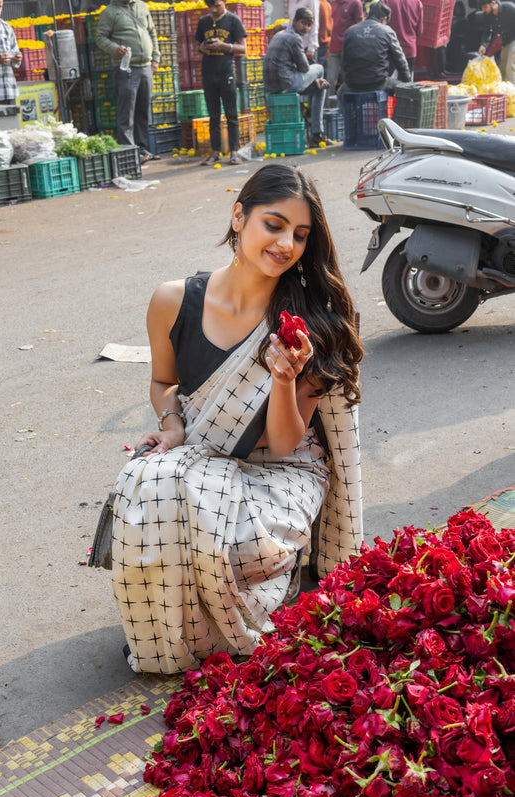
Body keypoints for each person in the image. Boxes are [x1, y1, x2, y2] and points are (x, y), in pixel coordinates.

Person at [111, 163, 364, 675]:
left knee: (224, 540)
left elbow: (285, 441)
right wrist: (172, 423)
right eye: (274, 225)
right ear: (238, 216)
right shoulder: (173, 300)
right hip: (202, 456)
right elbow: (165, 383)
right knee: (144, 482)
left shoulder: (310, 320)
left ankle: (246, 598)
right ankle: (176, 632)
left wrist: (284, 378)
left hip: (281, 474)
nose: (286, 244)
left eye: (299, 234)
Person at [96, 0, 161, 165]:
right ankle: (129, 151)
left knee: (142, 110)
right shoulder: (110, 12)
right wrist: (114, 48)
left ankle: (142, 148)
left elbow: (151, 32)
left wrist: (155, 58)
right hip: (126, 68)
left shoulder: (142, 6)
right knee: (127, 112)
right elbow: (101, 38)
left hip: (146, 66)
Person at [263, 8, 331, 147]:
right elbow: (305, 68)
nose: (305, 27)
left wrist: (314, 80)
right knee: (319, 68)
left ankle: (316, 133)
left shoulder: (278, 35)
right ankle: (315, 128)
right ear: (294, 21)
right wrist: (315, 77)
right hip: (286, 84)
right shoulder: (295, 38)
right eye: (303, 23)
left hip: (271, 87)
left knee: (320, 88)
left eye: (308, 25)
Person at [196, 0, 247, 166]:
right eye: (211, 6)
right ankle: (215, 152)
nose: (214, 9)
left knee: (231, 114)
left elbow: (243, 48)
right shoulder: (203, 22)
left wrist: (223, 45)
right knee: (213, 115)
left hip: (226, 72)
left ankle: (234, 152)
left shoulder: (233, 20)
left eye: (217, 5)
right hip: (208, 72)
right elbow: (198, 45)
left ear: (224, 2)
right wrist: (202, 47)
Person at [340, 1, 411, 96]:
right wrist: (407, 82)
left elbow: (343, 61)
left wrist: (348, 80)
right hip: (378, 83)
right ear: (383, 19)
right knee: (402, 90)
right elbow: (400, 60)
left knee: (340, 93)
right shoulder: (387, 31)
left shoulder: (350, 31)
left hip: (352, 84)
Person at [327, 0, 363, 95]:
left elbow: (360, 26)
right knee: (330, 80)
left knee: (347, 81)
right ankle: (327, 107)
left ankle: (344, 106)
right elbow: (333, 25)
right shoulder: (334, 3)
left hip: (349, 49)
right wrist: (329, 46)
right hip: (334, 48)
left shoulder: (355, 3)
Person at [384, 0, 423, 79]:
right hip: (409, 49)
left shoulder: (386, 2)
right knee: (406, 87)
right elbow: (419, 31)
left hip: (390, 49)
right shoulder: (417, 3)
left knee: (388, 84)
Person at [478, 0, 515, 83]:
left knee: (510, 68)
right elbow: (487, 30)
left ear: (493, 3)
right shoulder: (488, 15)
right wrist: (483, 45)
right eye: (482, 8)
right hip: (506, 40)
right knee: (502, 67)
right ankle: (503, 91)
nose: (483, 10)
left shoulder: (509, 8)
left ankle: (512, 94)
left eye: (485, 7)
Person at [317, 0, 333, 75]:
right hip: (327, 42)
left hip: (319, 43)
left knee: (318, 73)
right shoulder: (328, 5)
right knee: (325, 71)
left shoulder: (318, 4)